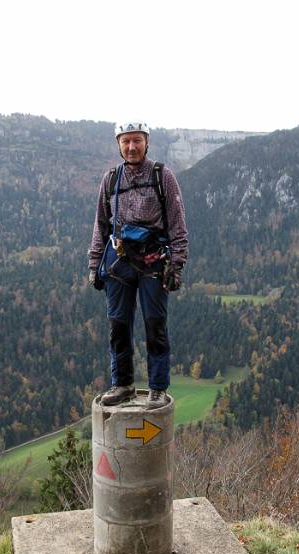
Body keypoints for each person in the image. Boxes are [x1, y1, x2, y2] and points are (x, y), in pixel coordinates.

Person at [87, 121, 188, 406]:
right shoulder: (110, 180)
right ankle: (122, 384)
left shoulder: (162, 176)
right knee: (118, 326)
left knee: (154, 324)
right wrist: (94, 264)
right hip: (118, 262)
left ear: (147, 142)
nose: (131, 147)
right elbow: (101, 225)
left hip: (154, 261)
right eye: (126, 141)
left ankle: (157, 387)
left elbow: (178, 222)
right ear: (118, 144)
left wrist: (177, 264)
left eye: (137, 141)